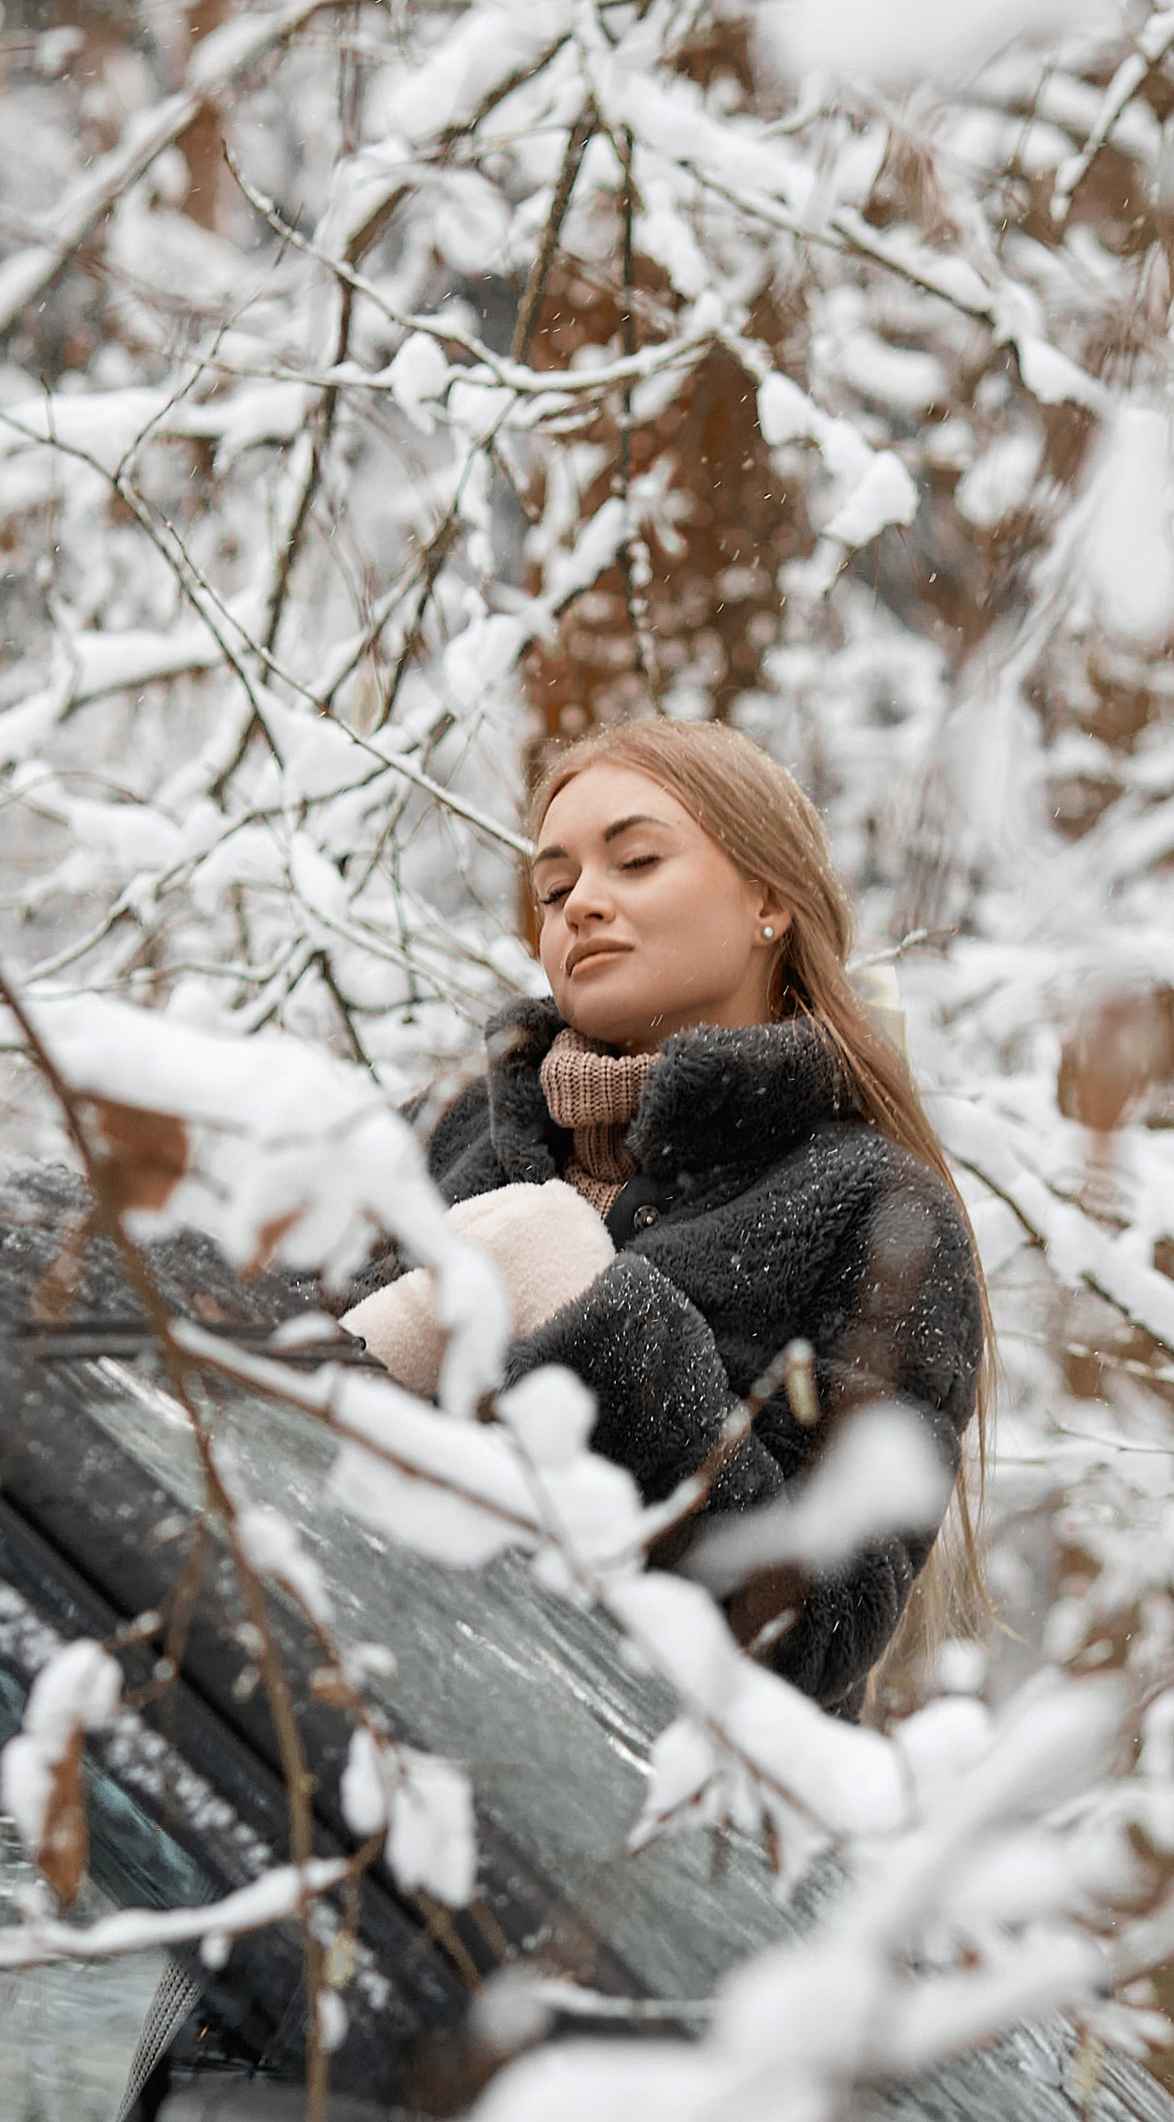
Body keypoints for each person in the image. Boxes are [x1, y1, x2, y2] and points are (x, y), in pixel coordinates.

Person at [345, 719, 985, 1717]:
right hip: (331, 1723)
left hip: (620, 1819)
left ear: (768, 899)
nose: (582, 904)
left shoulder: (877, 1209)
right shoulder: (455, 1127)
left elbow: (809, 1640)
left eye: (636, 861)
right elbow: (253, 1366)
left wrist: (594, 1318)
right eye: (554, 891)